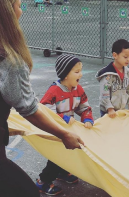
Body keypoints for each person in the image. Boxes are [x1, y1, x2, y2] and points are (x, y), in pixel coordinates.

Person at [0, 0, 83, 197]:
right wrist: (63, 134)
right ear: (8, 14)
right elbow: (29, 109)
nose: (21, 11)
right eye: (19, 6)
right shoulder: (7, 59)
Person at [35, 54, 95, 195]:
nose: (80, 74)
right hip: (55, 129)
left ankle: (61, 172)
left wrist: (87, 118)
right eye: (76, 71)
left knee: (68, 152)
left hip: (68, 129)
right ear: (65, 75)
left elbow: (84, 106)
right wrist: (63, 118)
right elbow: (44, 109)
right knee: (57, 155)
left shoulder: (78, 89)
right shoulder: (54, 90)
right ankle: (43, 180)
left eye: (81, 70)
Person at [96, 39, 129, 118]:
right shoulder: (108, 75)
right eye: (125, 57)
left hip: (121, 109)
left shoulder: (128, 72)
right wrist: (109, 108)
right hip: (108, 111)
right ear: (115, 55)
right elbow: (104, 93)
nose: (128, 59)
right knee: (107, 129)